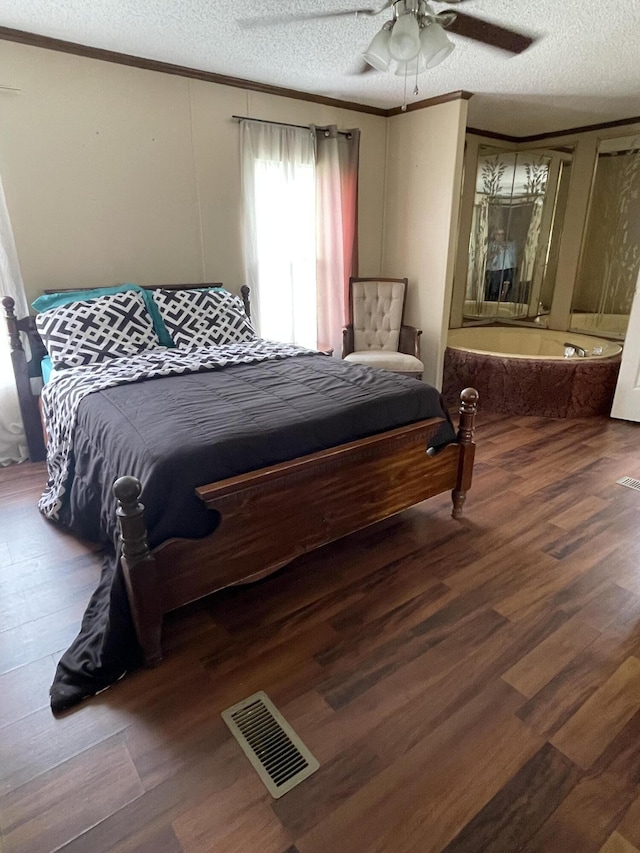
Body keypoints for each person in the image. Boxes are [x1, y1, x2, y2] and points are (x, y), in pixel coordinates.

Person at [485, 228, 517, 301]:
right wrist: (496, 252)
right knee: (493, 292)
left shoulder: (510, 245)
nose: (500, 236)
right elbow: (486, 257)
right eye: (498, 234)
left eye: (502, 234)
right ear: (494, 235)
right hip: (494, 271)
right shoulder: (491, 245)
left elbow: (513, 259)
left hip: (508, 269)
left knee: (506, 292)